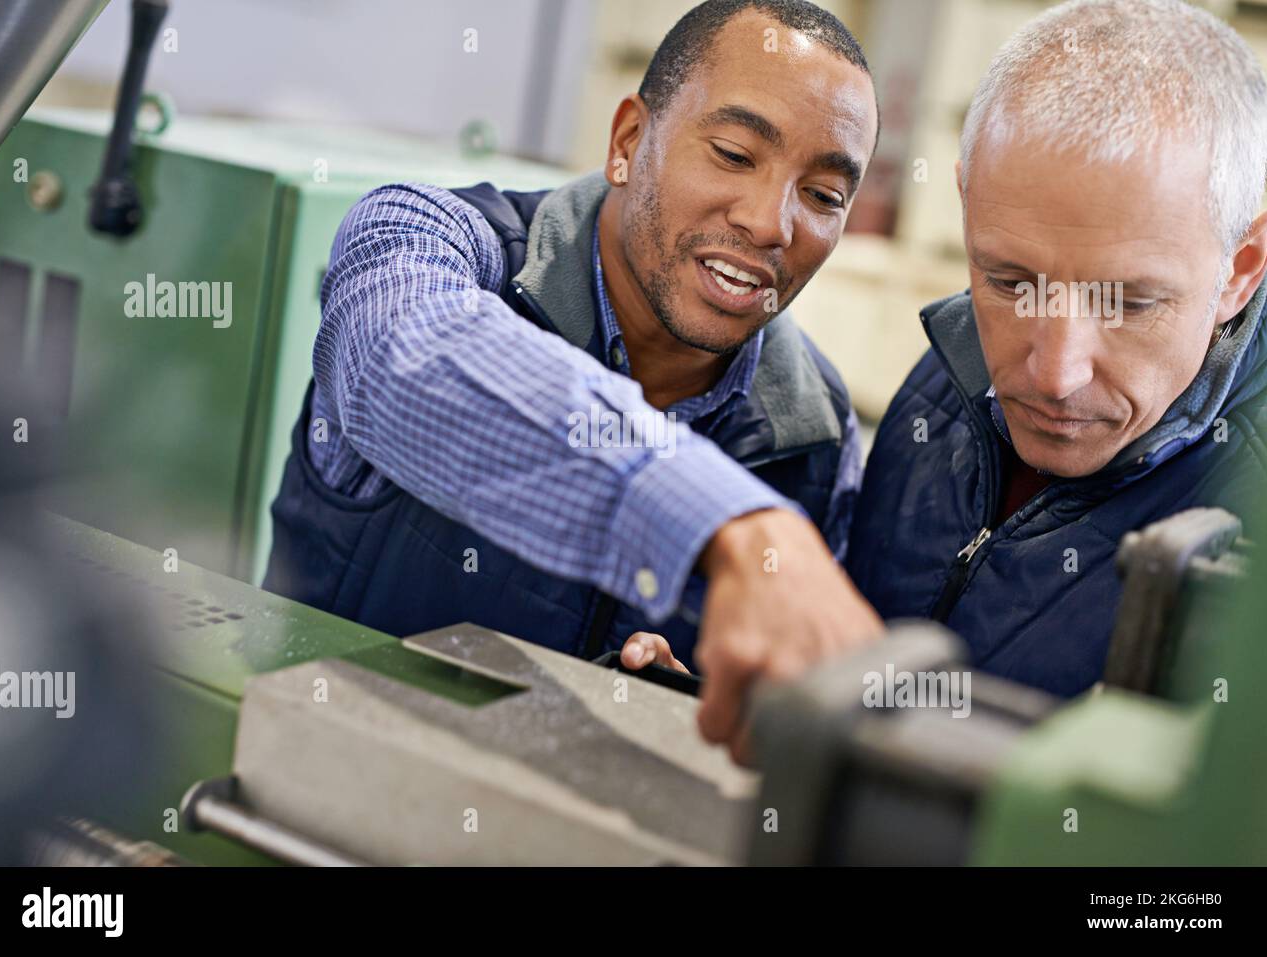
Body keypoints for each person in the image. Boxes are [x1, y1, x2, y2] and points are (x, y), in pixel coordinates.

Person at [265, 0, 883, 759]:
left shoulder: (814, 431)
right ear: (628, 140)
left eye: (823, 195)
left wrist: (688, 714)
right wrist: (714, 521)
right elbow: (405, 359)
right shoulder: (428, 241)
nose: (770, 223)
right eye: (732, 152)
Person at [846, 0, 1267, 696]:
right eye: (1011, 282)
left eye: (1131, 303)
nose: (1052, 374)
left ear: (1243, 268)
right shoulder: (951, 374)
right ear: (968, 203)